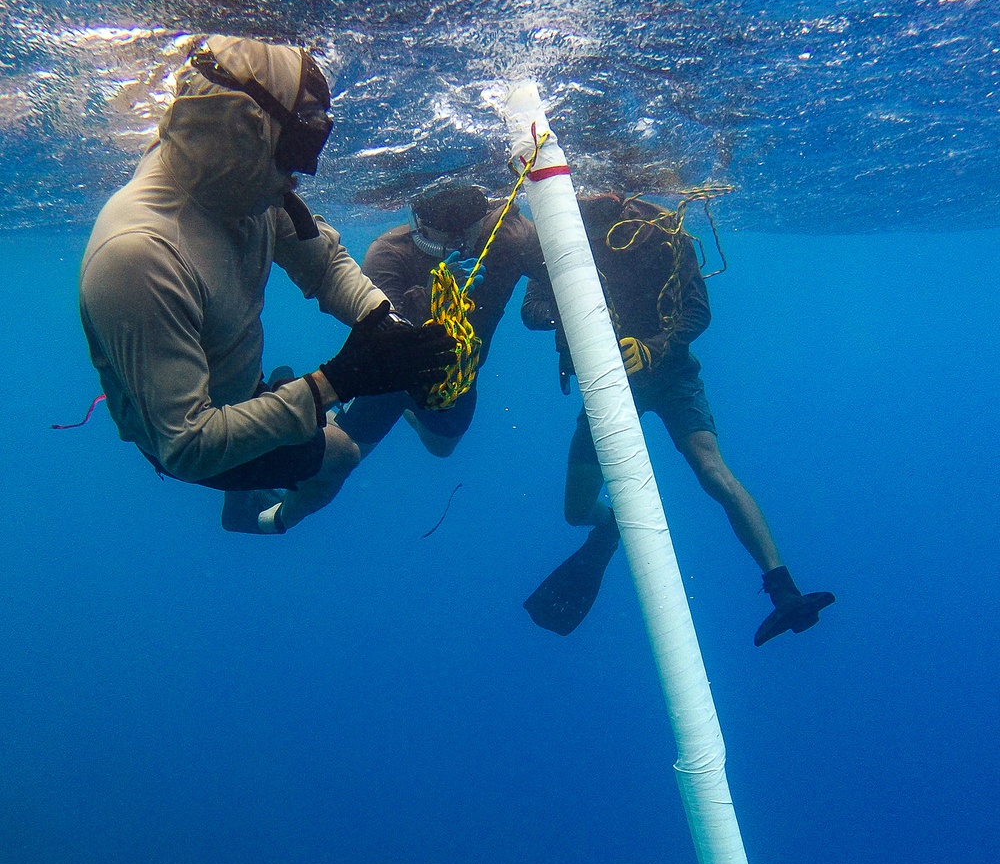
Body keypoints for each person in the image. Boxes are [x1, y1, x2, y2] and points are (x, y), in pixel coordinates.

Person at [79, 35, 454, 535]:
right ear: (245, 129)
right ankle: (261, 522)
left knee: (302, 402)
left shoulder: (231, 173)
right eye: (298, 148)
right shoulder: (140, 256)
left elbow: (321, 263)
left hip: (230, 388)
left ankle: (280, 406)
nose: (302, 173)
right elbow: (187, 448)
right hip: (192, 438)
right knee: (340, 455)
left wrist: (386, 323)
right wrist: (334, 382)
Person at [521, 192, 834, 646]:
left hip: (670, 372)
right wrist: (568, 303)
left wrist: (653, 345)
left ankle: (784, 589)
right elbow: (531, 313)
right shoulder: (558, 236)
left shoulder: (664, 229)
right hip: (610, 382)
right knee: (576, 512)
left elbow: (698, 311)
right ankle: (611, 525)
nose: (600, 200)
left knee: (713, 470)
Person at [335, 181, 549, 459]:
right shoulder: (389, 252)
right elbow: (383, 334)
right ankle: (325, 421)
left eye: (466, 221)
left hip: (457, 374)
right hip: (390, 374)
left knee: (442, 447)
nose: (457, 235)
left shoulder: (511, 234)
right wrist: (431, 296)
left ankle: (408, 411)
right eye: (443, 224)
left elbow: (559, 279)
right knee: (342, 455)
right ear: (419, 222)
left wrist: (564, 334)